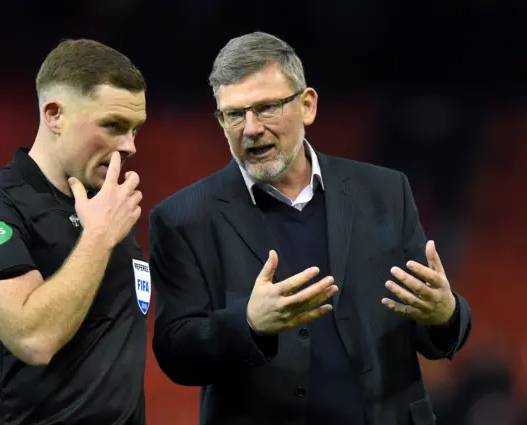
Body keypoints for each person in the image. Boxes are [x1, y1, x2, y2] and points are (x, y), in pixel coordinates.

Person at [148, 31, 472, 425]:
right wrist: (249, 325)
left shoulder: (386, 191)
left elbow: (427, 327)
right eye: (234, 114)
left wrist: (445, 313)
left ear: (307, 106)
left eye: (266, 108)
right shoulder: (182, 218)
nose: (250, 128)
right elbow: (176, 352)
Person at [0, 39, 149, 425]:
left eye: (135, 130)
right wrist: (99, 237)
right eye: (113, 126)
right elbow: (33, 338)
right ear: (54, 114)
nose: (129, 145)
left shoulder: (108, 207)